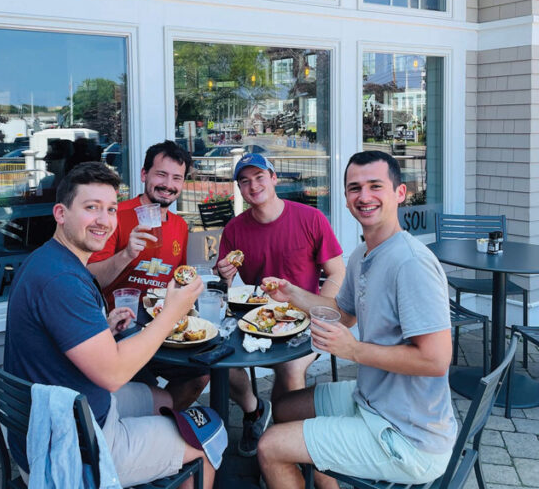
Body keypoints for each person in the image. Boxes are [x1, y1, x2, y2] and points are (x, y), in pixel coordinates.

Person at [4, 162, 216, 489]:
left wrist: (103, 328)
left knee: (165, 400)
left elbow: (62, 337)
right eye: (91, 208)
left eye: (111, 209)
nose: (104, 220)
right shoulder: (62, 280)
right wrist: (172, 314)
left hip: (67, 413)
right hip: (73, 446)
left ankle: (155, 460)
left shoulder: (50, 259)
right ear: (61, 213)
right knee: (208, 435)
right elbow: (114, 375)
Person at [257, 150, 457, 489]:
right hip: (373, 399)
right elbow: (344, 315)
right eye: (354, 188)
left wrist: (353, 351)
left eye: (375, 186)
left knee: (270, 445)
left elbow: (436, 360)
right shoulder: (364, 254)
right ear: (347, 199)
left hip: (409, 436)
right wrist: (292, 294)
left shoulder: (410, 263)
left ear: (400, 193)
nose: (364, 197)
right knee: (286, 407)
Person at [215, 153, 345, 457]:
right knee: (216, 363)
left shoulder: (310, 218)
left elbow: (338, 271)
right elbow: (226, 287)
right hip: (255, 322)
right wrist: (223, 275)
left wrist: (324, 308)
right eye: (244, 181)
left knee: (289, 367)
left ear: (274, 178)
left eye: (260, 177)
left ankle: (288, 448)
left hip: (303, 322)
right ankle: (255, 413)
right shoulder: (234, 229)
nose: (253, 185)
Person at [88, 140, 208, 410]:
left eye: (177, 178)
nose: (168, 184)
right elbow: (91, 278)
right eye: (161, 175)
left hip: (161, 327)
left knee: (200, 375)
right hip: (118, 330)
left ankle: (162, 427)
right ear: (144, 175)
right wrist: (127, 253)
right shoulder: (115, 215)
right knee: (148, 391)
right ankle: (152, 432)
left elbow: (178, 279)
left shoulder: (179, 226)